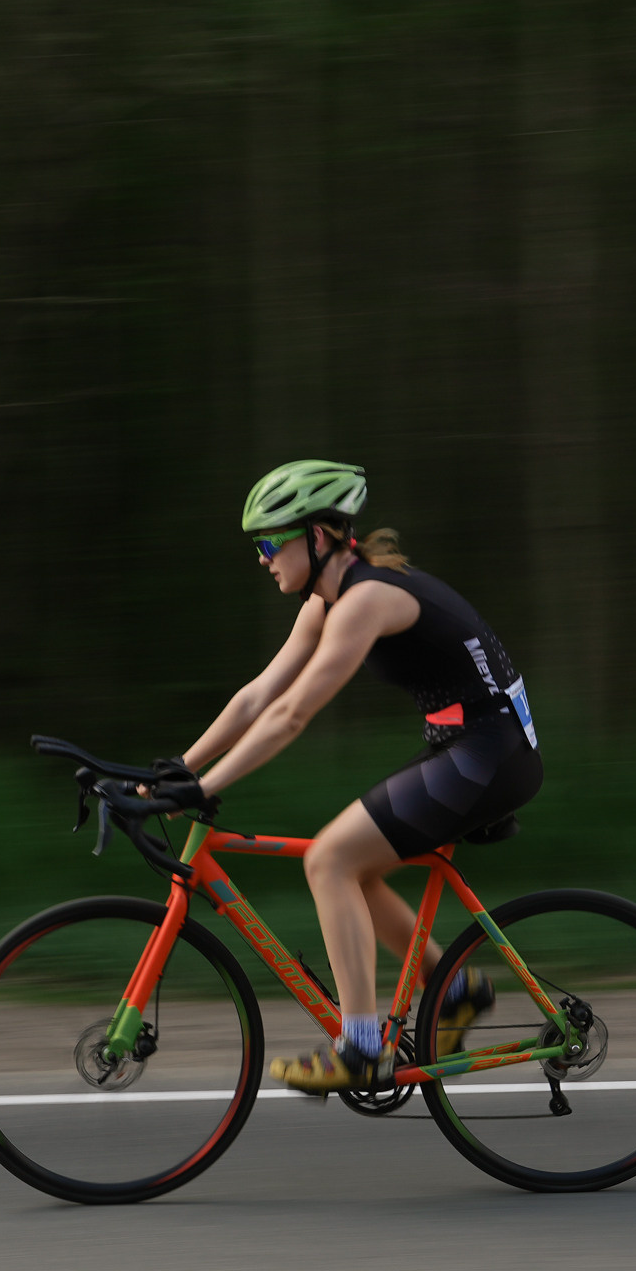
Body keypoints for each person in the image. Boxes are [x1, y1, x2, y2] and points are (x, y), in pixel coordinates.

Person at [141, 459, 544, 1094]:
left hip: (490, 755)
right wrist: (179, 769)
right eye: (259, 545)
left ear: (319, 537)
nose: (263, 557)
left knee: (330, 859)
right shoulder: (325, 603)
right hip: (469, 747)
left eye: (272, 542)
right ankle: (454, 987)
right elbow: (256, 698)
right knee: (353, 865)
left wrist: (207, 788)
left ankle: (360, 1051)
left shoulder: (366, 600)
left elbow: (293, 714)